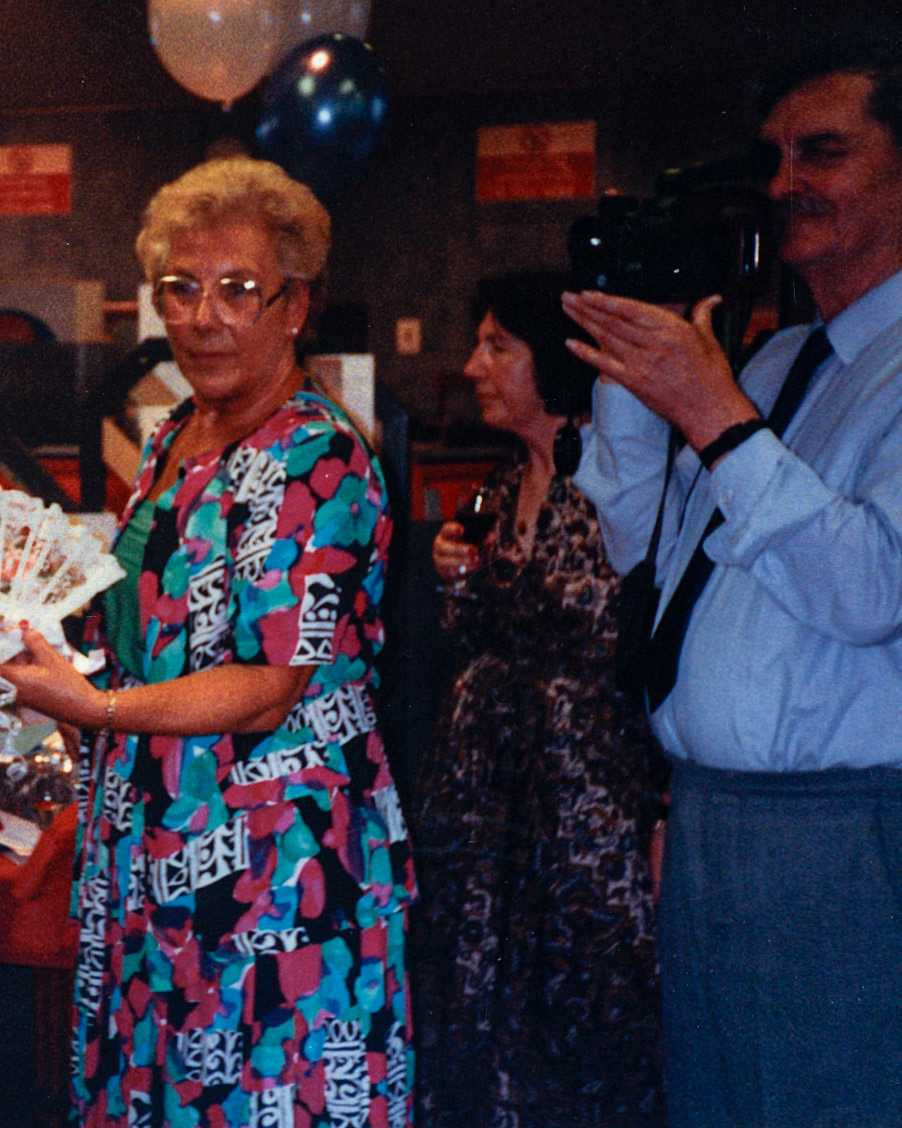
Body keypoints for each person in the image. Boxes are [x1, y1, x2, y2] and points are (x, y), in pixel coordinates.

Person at [1, 156, 415, 1128]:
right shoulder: (175, 432)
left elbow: (269, 683)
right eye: (180, 289)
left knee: (258, 1091)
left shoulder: (317, 453)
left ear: (295, 305)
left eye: (237, 289)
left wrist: (99, 707)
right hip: (155, 829)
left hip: (272, 852)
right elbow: (155, 625)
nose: (203, 317)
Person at [564, 38, 902, 1128]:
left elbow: (869, 590)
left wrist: (712, 413)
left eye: (823, 152)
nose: (783, 183)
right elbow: (644, 556)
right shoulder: (769, 365)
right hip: (712, 817)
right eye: (773, 157)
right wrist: (637, 375)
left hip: (841, 833)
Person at [412, 275, 666, 1128]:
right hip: (487, 810)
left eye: (498, 347)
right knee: (478, 1005)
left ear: (552, 360)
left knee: (583, 1006)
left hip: (584, 806)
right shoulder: (498, 482)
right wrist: (456, 572)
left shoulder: (621, 477)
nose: (472, 366)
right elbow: (474, 631)